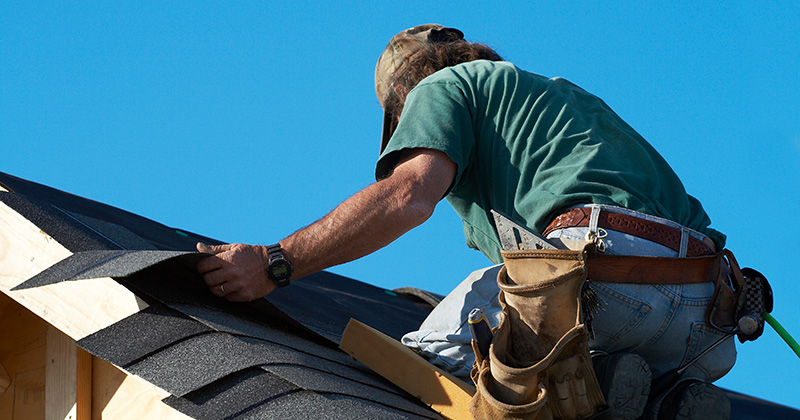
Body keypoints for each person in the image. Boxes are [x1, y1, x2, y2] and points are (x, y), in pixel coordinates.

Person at [196, 24, 735, 420]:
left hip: (601, 272)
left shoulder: (441, 88)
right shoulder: (562, 102)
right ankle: (651, 396)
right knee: (594, 390)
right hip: (707, 321)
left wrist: (275, 263)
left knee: (433, 356)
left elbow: (408, 195)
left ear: (404, 103)